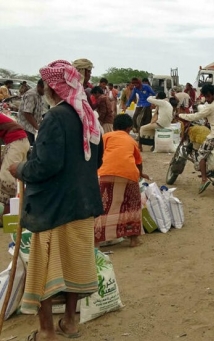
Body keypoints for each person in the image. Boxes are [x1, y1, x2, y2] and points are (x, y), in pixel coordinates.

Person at [8, 59, 103, 341]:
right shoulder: (89, 116)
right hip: (82, 202)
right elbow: (96, 160)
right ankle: (70, 322)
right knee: (73, 262)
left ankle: (47, 330)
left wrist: (19, 169)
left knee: (46, 267)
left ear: (54, 87)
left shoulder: (55, 118)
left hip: (53, 206)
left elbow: (44, 166)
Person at [95, 114, 148, 248]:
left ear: (113, 126)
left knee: (104, 206)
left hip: (105, 173)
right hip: (129, 174)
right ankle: (134, 240)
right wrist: (141, 174)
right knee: (132, 206)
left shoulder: (105, 137)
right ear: (129, 128)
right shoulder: (131, 141)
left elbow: (98, 155)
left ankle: (96, 241)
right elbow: (139, 162)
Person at [179, 84, 214, 193]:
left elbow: (196, 116)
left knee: (201, 155)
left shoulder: (211, 107)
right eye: (205, 97)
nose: (207, 99)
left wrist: (181, 116)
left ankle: (204, 179)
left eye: (208, 96)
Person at [0, 113, 29, 215]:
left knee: (6, 179)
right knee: (15, 178)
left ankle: (7, 216)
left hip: (16, 142)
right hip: (18, 141)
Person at [17, 79, 45, 145]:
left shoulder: (39, 95)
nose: (46, 91)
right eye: (44, 89)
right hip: (27, 128)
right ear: (39, 86)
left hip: (32, 128)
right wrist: (38, 128)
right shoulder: (32, 95)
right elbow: (27, 113)